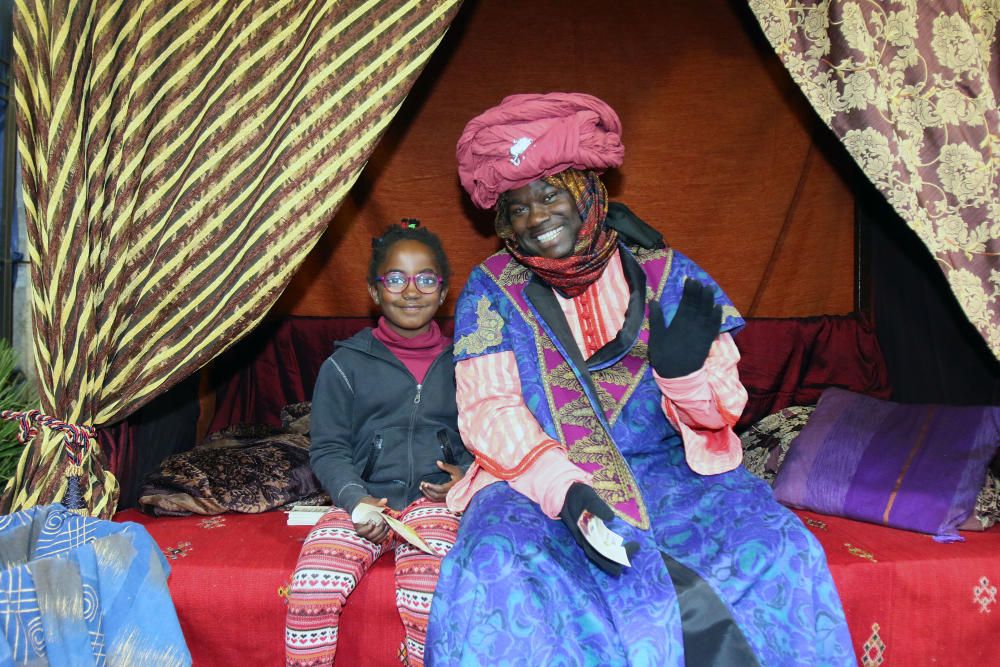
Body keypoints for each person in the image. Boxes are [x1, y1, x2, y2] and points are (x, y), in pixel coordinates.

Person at [425, 93, 856, 666]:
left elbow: (722, 407)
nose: (536, 218)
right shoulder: (490, 288)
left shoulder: (669, 274)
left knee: (779, 549)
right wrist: (565, 489)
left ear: (586, 193)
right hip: (533, 477)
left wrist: (681, 377)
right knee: (497, 565)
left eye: (550, 195)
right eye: (519, 208)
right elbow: (489, 409)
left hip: (671, 468)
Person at [285, 221, 472, 667]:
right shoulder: (344, 365)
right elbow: (329, 449)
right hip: (367, 498)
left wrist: (465, 478)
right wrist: (355, 500)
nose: (411, 291)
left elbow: (483, 437)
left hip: (435, 504)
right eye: (395, 278)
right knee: (313, 583)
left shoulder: (466, 362)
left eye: (426, 278)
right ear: (374, 291)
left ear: (443, 291)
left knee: (433, 590)